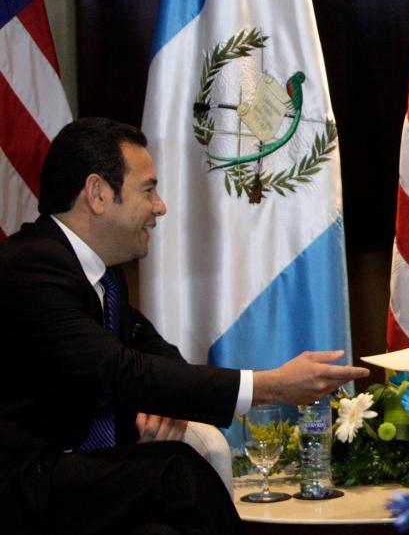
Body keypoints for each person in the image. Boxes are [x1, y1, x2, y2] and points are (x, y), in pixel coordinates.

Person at [0, 118, 370, 534]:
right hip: (23, 484)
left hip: (77, 480)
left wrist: (159, 396)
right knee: (174, 470)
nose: (160, 206)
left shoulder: (101, 273)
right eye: (148, 189)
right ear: (99, 194)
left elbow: (153, 352)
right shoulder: (31, 268)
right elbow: (119, 369)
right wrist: (270, 386)